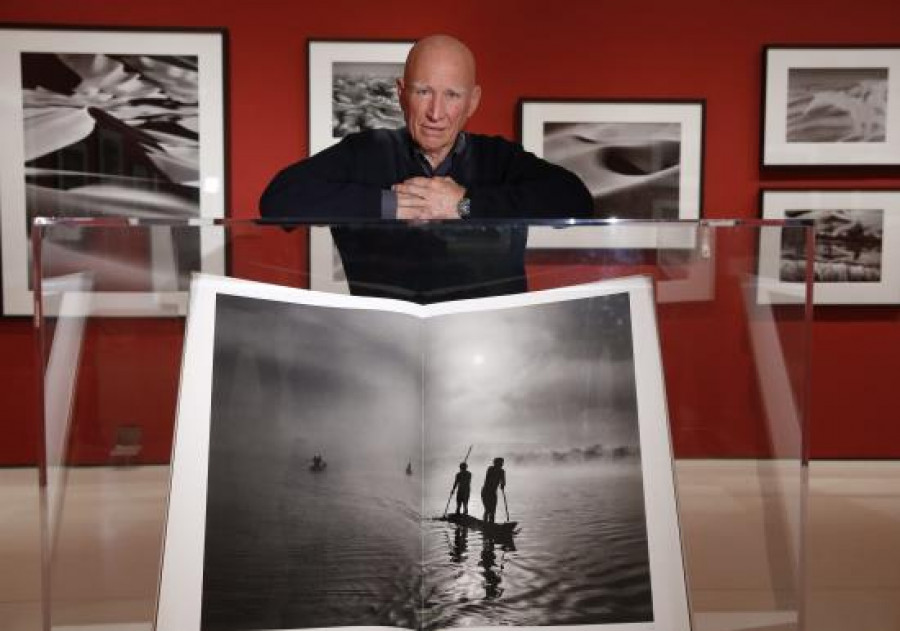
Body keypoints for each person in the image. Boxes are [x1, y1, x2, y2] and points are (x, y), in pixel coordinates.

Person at [259, 34, 592, 303]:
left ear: (472, 102)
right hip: (385, 349)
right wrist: (388, 205)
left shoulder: (499, 157)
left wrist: (464, 205)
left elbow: (577, 201)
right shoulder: (365, 152)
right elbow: (278, 200)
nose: (436, 112)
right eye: (423, 92)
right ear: (402, 95)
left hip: (490, 348)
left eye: (452, 95)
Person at [481, 457, 506, 523]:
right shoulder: (490, 469)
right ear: (495, 463)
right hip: (486, 491)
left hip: (493, 493)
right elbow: (488, 479)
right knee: (487, 509)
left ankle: (491, 524)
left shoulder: (502, 471)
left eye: (502, 463)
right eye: (500, 463)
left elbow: (503, 481)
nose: (501, 464)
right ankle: (485, 523)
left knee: (493, 511)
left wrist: (502, 484)